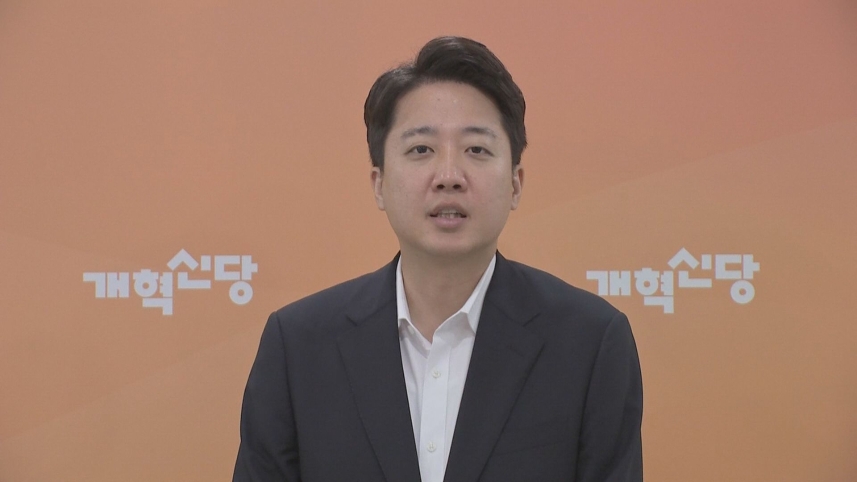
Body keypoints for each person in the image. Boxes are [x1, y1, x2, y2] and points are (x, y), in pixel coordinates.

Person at [233, 36, 643, 482]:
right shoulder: (299, 346)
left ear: (516, 184)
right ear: (379, 184)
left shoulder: (589, 342)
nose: (449, 176)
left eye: (477, 150)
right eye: (421, 150)